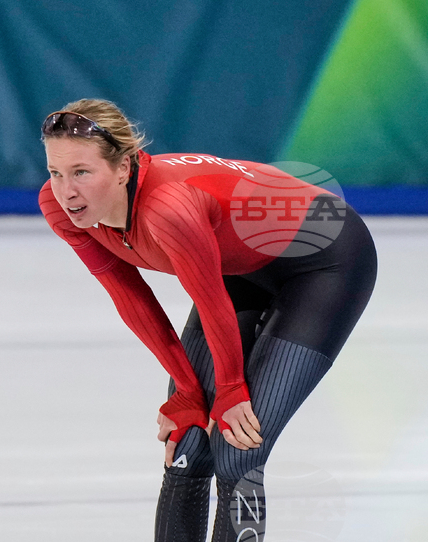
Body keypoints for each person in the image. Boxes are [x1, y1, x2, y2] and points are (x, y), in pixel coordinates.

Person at [38, 98, 377, 541]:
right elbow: (131, 297)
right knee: (189, 444)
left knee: (238, 449)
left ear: (123, 168)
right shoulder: (61, 209)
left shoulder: (167, 208)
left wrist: (231, 389)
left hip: (324, 263)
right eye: (56, 172)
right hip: (238, 265)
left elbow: (210, 298)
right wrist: (186, 392)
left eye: (82, 172)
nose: (67, 191)